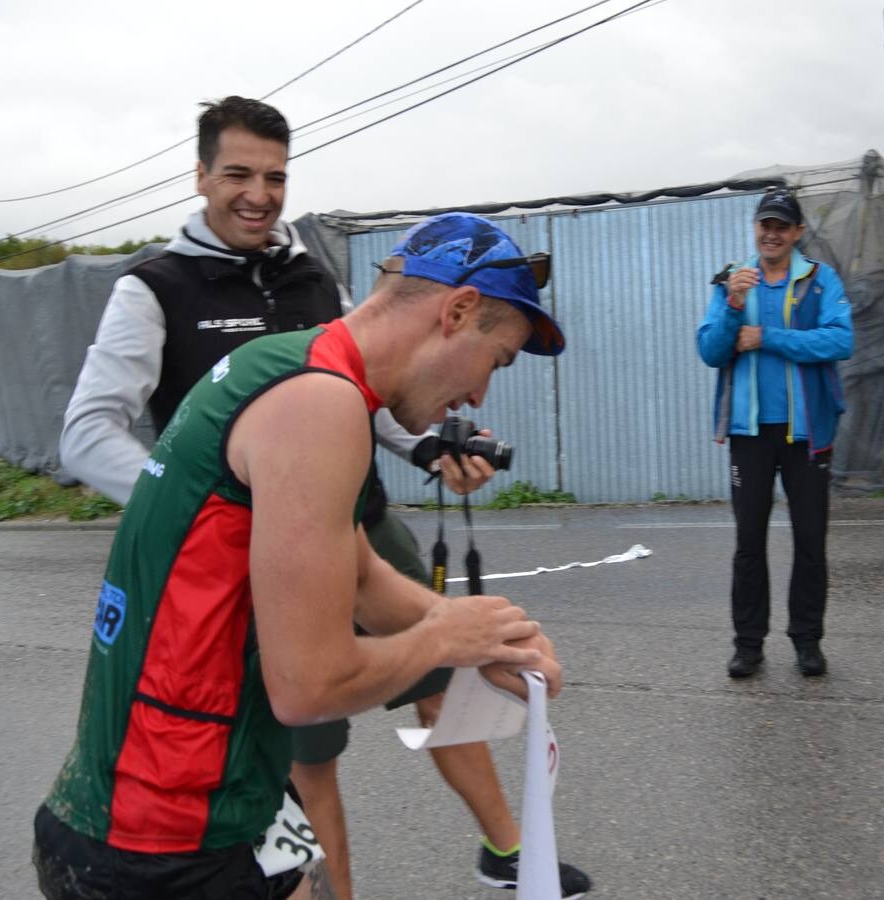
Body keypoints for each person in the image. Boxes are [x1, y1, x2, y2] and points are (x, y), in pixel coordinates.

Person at [54, 97, 589, 899]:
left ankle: (497, 848)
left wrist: (478, 637)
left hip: (182, 800)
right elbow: (307, 684)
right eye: (498, 360)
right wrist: (445, 637)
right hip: (162, 835)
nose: (479, 394)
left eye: (275, 176)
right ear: (459, 310)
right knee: (322, 739)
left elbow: (360, 568)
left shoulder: (302, 348)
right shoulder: (314, 400)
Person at [696, 188, 853, 679]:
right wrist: (733, 305)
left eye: (782, 225)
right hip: (750, 434)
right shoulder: (732, 281)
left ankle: (808, 640)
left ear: (798, 233)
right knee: (749, 542)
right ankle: (748, 644)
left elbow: (841, 338)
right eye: (766, 224)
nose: (772, 233)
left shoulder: (820, 280)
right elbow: (711, 350)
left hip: (807, 435)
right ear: (755, 228)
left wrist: (769, 337)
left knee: (810, 539)